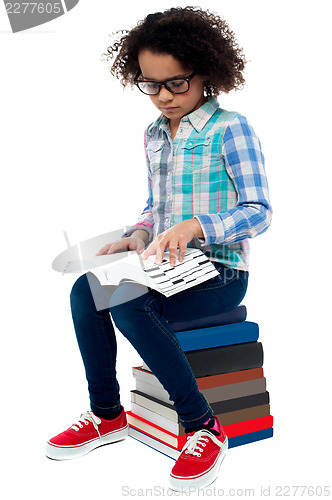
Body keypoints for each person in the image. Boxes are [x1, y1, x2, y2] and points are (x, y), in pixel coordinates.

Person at [45, 6, 272, 490]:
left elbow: (260, 211)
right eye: (151, 85)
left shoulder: (231, 128)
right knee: (88, 289)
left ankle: (203, 427)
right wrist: (139, 235)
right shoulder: (153, 136)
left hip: (220, 274)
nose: (164, 96)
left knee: (128, 303)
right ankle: (107, 414)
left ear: (205, 72)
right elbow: (155, 205)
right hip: (164, 267)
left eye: (177, 83)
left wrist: (197, 227)